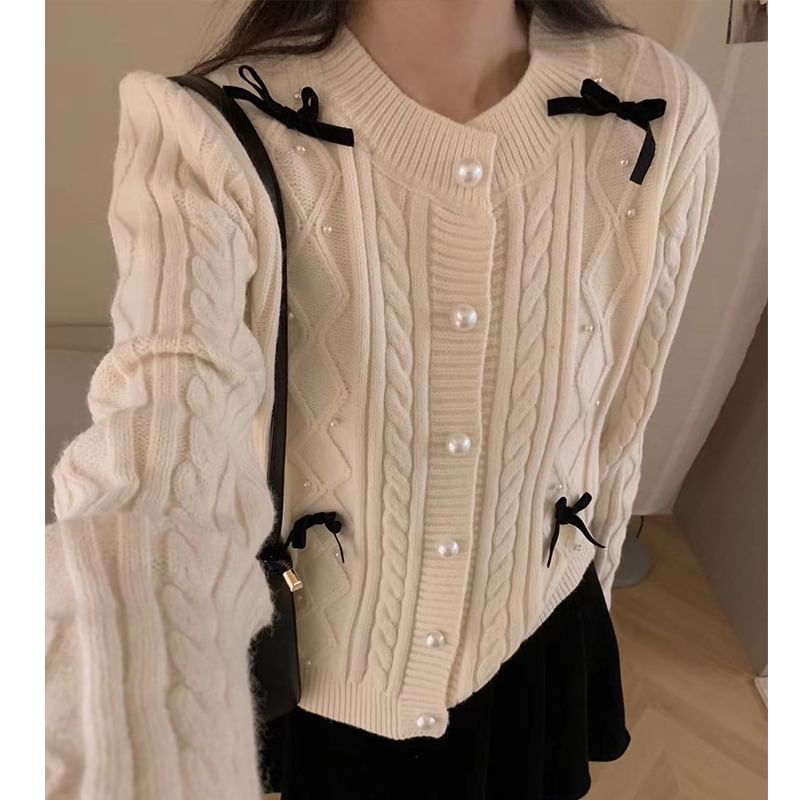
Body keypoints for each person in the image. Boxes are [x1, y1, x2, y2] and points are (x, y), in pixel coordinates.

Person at [45, 1, 721, 798]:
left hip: (539, 640)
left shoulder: (655, 103)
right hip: (336, 673)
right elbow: (163, 430)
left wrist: (594, 588)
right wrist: (120, 702)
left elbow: (620, 414)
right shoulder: (211, 129)